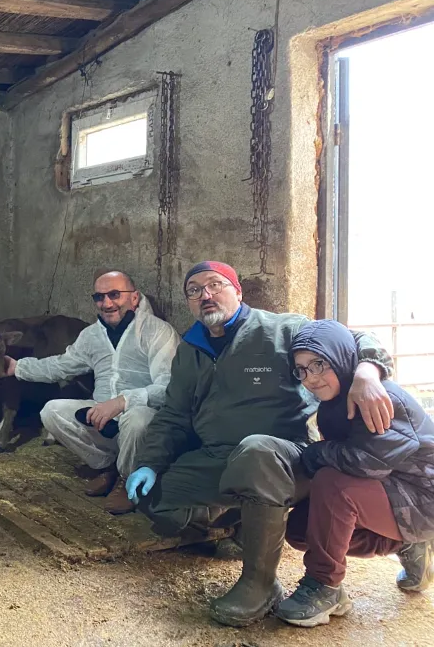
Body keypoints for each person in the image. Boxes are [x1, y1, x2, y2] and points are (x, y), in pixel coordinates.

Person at [125, 261, 395, 627]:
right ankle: (242, 524)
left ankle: (260, 584)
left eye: (215, 285)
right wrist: (149, 463)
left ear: (238, 291)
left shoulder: (283, 329)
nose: (205, 295)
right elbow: (174, 413)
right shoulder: (190, 350)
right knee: (160, 504)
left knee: (255, 452)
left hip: (286, 455)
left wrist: (368, 370)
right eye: (194, 290)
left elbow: (356, 339)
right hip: (220, 455)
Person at [276, 319, 434, 627]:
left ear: (340, 356)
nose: (310, 378)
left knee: (334, 484)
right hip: (392, 490)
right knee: (299, 528)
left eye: (319, 364)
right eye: (303, 369)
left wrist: (315, 454)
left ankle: (325, 586)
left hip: (423, 497)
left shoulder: (376, 398)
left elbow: (367, 463)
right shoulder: (336, 399)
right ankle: (406, 543)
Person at [1, 271, 179, 512]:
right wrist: (18, 367)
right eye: (99, 297)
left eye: (114, 295)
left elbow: (169, 386)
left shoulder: (158, 332)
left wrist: (123, 401)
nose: (106, 304)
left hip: (143, 417)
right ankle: (108, 466)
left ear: (134, 298)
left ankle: (128, 479)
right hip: (103, 416)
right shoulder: (92, 335)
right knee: (51, 411)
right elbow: (61, 365)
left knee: (138, 420)